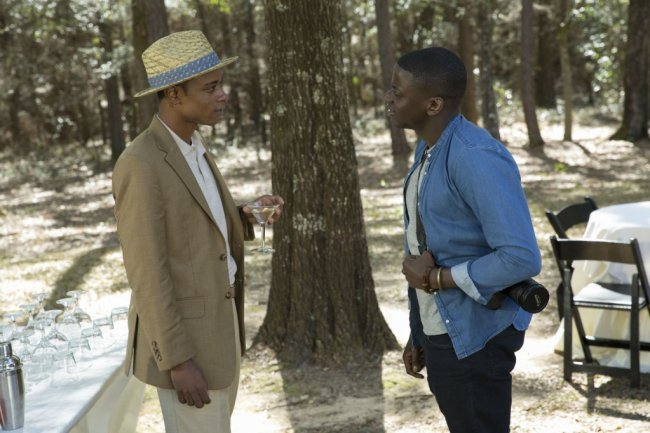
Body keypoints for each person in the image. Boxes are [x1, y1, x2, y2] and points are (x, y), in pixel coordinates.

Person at [112, 30, 283, 433]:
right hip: (187, 348)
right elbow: (146, 272)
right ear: (174, 94)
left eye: (220, 84)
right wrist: (177, 360)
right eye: (210, 87)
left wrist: (244, 216)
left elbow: (191, 226)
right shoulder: (140, 163)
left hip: (220, 332)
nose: (223, 95)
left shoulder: (194, 145)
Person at [385, 47, 541, 433]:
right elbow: (427, 242)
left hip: (477, 336)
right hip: (443, 330)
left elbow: (520, 257)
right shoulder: (428, 148)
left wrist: (436, 278)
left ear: (433, 104)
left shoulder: (473, 156)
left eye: (398, 92)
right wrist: (419, 331)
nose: (388, 98)